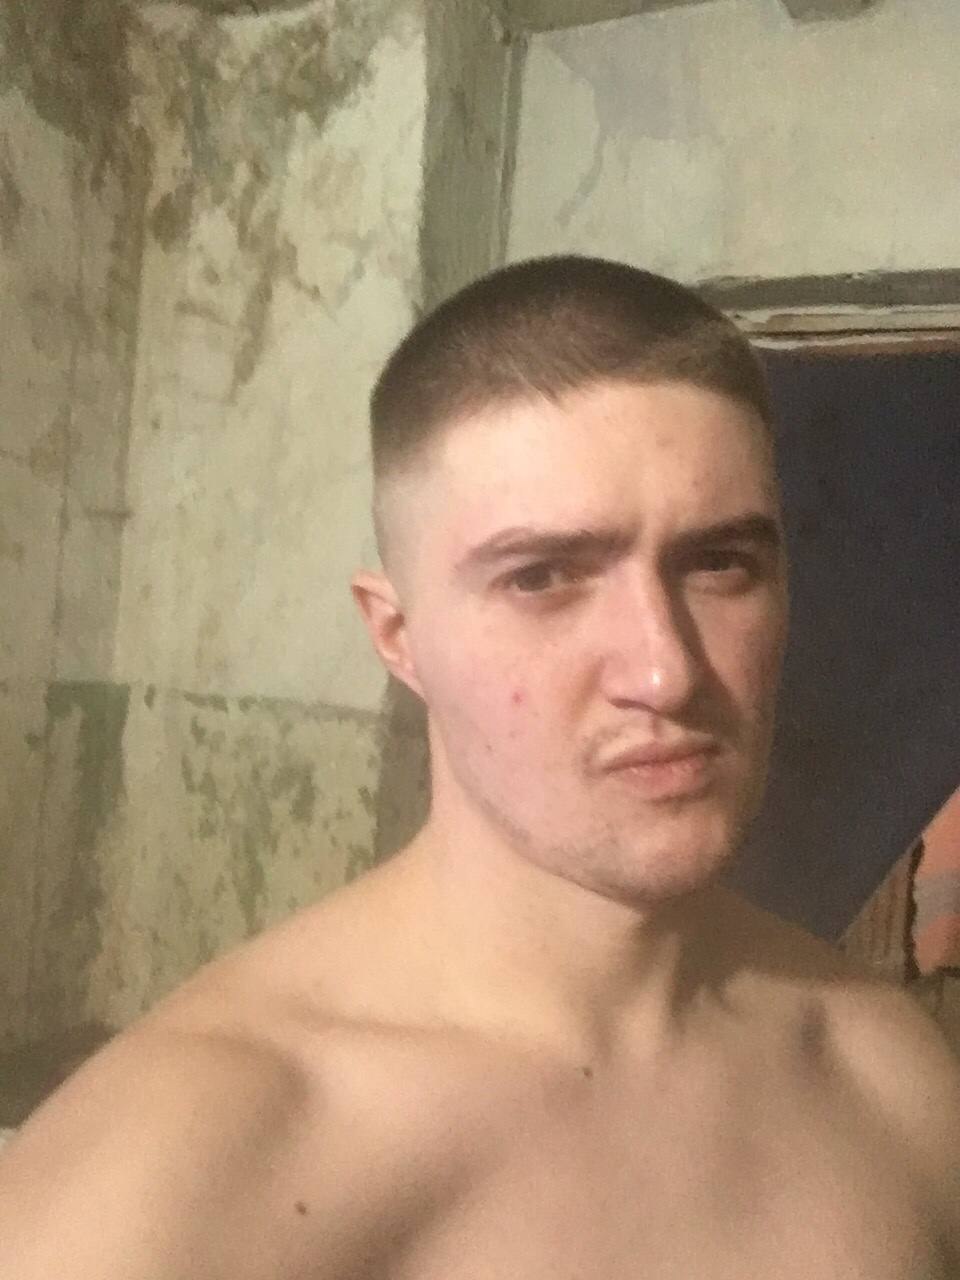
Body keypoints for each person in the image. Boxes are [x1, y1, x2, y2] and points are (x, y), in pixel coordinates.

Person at [1, 255, 958, 1278]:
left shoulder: (884, 1066)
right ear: (398, 635)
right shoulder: (174, 1175)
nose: (665, 670)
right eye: (542, 576)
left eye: (720, 562)